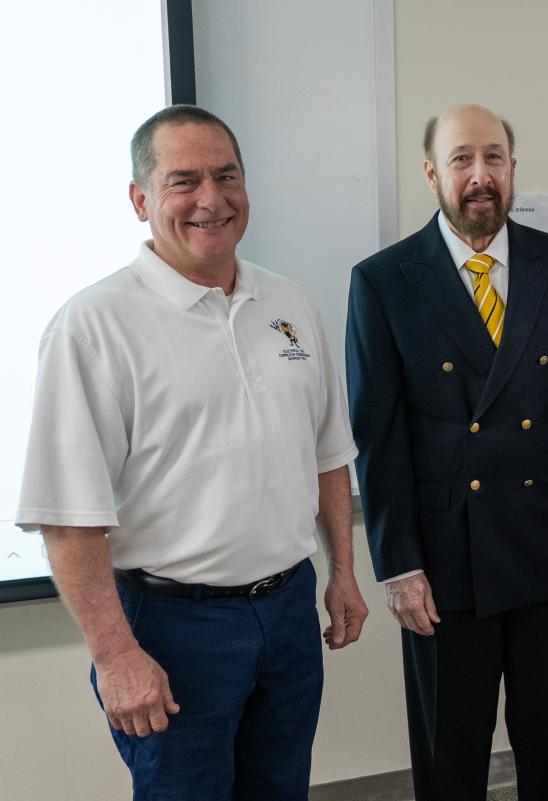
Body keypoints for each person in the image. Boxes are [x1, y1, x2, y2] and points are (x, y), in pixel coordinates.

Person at [15, 105, 368, 800]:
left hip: (288, 607)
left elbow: (328, 453)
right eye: (184, 181)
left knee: (280, 789)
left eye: (226, 175)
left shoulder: (287, 302)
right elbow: (68, 516)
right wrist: (115, 654)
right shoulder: (93, 326)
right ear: (140, 200)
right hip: (174, 627)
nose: (211, 198)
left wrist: (343, 573)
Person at [346, 103, 548, 800]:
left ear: (512, 169)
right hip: (442, 561)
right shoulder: (383, 280)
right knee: (450, 756)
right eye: (463, 158)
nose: (480, 175)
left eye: (494, 157)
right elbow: (379, 439)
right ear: (432, 172)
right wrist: (397, 561)